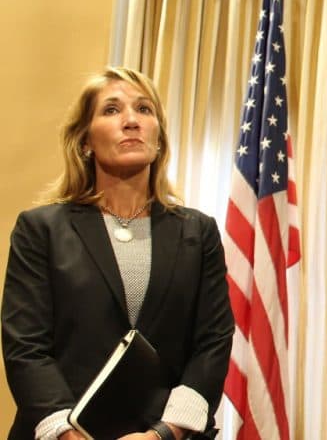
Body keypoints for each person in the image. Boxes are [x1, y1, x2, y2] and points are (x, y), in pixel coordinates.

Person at [2, 67, 234, 440]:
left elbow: (213, 343)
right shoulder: (40, 229)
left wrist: (164, 433)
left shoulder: (198, 231)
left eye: (144, 109)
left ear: (158, 138)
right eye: (111, 110)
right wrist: (67, 433)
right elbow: (26, 347)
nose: (131, 121)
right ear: (85, 141)